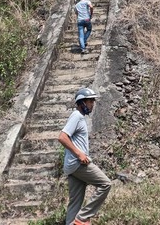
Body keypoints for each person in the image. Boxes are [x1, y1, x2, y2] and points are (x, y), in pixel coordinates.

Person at [58, 87, 111, 225]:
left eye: (93, 101)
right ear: (82, 102)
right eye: (90, 101)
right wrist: (79, 153)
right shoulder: (76, 116)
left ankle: (73, 221)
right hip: (78, 164)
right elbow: (62, 137)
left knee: (75, 203)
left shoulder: (79, 117)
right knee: (105, 184)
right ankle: (83, 217)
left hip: (71, 167)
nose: (92, 104)